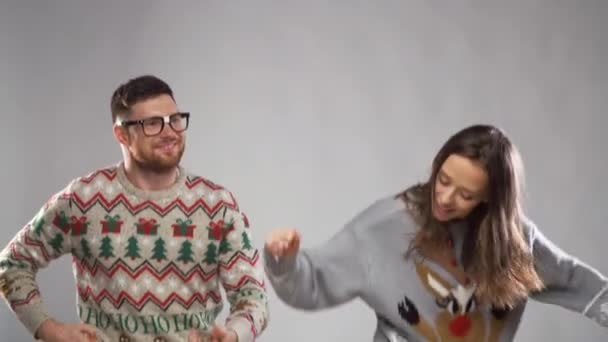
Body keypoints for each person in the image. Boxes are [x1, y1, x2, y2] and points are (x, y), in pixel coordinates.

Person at [264, 124, 608, 341]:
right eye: (443, 179)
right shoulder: (386, 225)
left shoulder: (514, 242)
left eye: (466, 194)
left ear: (491, 198)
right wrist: (284, 262)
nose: (445, 197)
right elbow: (314, 283)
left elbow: (583, 287)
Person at [0, 75, 268, 342]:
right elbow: (10, 264)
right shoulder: (82, 199)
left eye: (175, 120)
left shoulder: (218, 206)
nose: (170, 132)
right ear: (122, 134)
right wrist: (48, 329)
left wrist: (234, 335)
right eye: (152, 123)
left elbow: (253, 296)